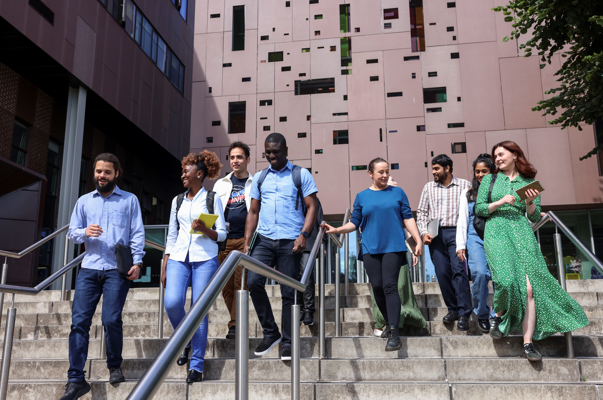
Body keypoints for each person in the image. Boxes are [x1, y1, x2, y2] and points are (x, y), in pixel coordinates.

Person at [475, 141, 588, 361]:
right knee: (506, 281)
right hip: (496, 231)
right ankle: (498, 316)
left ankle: (528, 343)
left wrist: (529, 202)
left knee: (529, 290)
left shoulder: (529, 182)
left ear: (515, 155)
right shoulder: (490, 179)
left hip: (521, 232)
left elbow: (535, 216)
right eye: (495, 156)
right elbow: (479, 209)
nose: (497, 159)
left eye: (501, 154)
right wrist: (498, 202)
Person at [61, 153, 144, 400]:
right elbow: (72, 233)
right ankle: (76, 378)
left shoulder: (130, 200)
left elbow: (137, 234)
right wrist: (84, 231)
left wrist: (138, 262)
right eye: (98, 171)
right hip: (89, 268)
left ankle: (114, 364)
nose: (102, 176)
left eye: (107, 172)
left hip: (116, 271)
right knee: (79, 324)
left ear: (116, 173)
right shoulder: (84, 202)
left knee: (111, 319)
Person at [324, 158, 423, 351]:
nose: (385, 175)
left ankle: (394, 332)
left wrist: (417, 241)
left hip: (393, 245)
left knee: (389, 286)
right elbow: (355, 222)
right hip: (370, 247)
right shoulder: (362, 196)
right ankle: (388, 322)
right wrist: (337, 230)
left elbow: (407, 217)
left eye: (387, 171)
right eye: (381, 172)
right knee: (377, 286)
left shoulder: (398, 192)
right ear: (370, 173)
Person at [244, 133, 318, 361]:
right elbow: (253, 212)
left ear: (286, 150)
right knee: (253, 282)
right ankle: (271, 332)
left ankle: (288, 342)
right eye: (268, 151)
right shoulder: (260, 177)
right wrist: (247, 243)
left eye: (276, 151)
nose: (271, 155)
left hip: (290, 241)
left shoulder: (300, 174)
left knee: (289, 292)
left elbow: (311, 206)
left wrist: (304, 235)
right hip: (264, 239)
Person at [161, 151, 226, 383]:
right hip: (179, 257)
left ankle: (196, 366)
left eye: (186, 172)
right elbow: (171, 234)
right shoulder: (177, 200)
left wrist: (205, 230)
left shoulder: (212, 199)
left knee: (199, 310)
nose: (182, 176)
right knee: (172, 303)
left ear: (199, 174)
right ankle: (185, 340)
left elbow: (222, 234)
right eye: (182, 172)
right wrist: (165, 263)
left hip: (205, 258)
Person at [417, 154, 472, 331]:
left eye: (436, 169)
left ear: (447, 168)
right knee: (442, 272)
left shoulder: (465, 185)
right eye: (433, 169)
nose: (433, 172)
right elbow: (422, 213)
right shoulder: (428, 187)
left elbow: (472, 210)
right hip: (436, 235)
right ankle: (453, 309)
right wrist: (424, 232)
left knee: (459, 271)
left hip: (457, 233)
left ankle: (464, 312)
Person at [370, 176, 427, 337]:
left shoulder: (397, 197)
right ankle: (385, 322)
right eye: (390, 180)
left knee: (400, 287)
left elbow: (406, 227)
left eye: (394, 179)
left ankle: (402, 320)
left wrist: (413, 248)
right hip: (379, 252)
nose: (395, 181)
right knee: (383, 287)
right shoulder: (373, 201)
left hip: (397, 251)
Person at [214, 141, 254, 339]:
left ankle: (235, 325)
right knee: (227, 285)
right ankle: (235, 321)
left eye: (239, 157)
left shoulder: (255, 184)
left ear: (247, 159)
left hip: (244, 240)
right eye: (232, 157)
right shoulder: (220, 184)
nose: (235, 161)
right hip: (223, 241)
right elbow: (211, 210)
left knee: (241, 284)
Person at [456, 154, 497, 333]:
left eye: (484, 171)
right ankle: (482, 313)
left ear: (492, 171)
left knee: (500, 278)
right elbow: (463, 220)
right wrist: (460, 244)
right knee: (480, 274)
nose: (480, 175)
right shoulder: (468, 192)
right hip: (474, 236)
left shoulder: (499, 190)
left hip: (497, 236)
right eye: (477, 171)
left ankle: (498, 315)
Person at [297, 197, 328, 326]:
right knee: (292, 275)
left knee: (306, 273)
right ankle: (297, 307)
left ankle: (308, 309)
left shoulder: (312, 197)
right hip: (287, 240)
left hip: (309, 241)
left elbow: (321, 221)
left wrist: (324, 243)